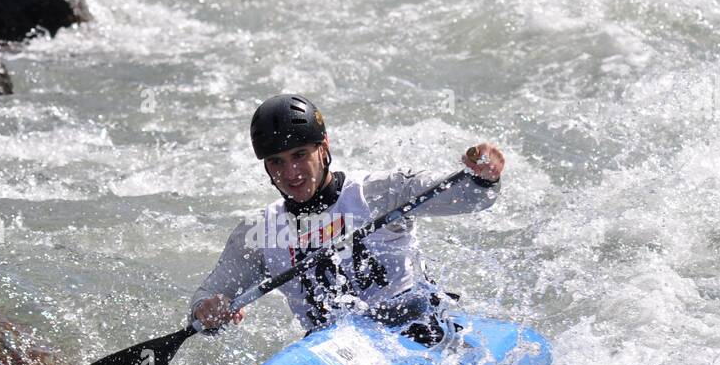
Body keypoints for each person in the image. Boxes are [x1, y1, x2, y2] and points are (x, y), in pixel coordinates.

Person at [190, 94, 505, 343]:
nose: (291, 173)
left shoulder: (380, 191)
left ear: (323, 147)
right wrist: (208, 312)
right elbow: (206, 300)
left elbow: (472, 198)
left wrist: (482, 176)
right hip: (336, 353)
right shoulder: (260, 232)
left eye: (300, 155)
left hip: (413, 327)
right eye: (277, 162)